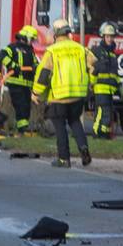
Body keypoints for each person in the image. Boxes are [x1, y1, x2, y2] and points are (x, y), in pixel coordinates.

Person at [31, 18, 94, 167]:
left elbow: (43, 75)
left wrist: (36, 93)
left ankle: (64, 159)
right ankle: (83, 148)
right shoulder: (81, 49)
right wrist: (90, 85)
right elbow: (93, 67)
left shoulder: (52, 51)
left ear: (55, 34)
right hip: (77, 96)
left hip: (58, 97)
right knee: (75, 122)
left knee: (60, 127)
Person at [1, 25, 39, 134]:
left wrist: (36, 67)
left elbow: (34, 63)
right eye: (31, 39)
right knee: (21, 106)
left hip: (27, 85)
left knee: (26, 107)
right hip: (15, 83)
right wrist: (13, 66)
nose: (32, 42)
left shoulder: (30, 50)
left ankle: (22, 129)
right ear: (25, 37)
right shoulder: (13, 47)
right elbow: (2, 56)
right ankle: (22, 130)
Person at [90, 22, 120, 138]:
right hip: (100, 88)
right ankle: (98, 133)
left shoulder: (112, 54)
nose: (110, 39)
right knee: (103, 112)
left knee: (107, 113)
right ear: (103, 37)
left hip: (109, 89)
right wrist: (91, 85)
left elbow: (114, 73)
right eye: (107, 36)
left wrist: (119, 85)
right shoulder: (97, 51)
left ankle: (105, 133)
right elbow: (93, 69)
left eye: (111, 36)